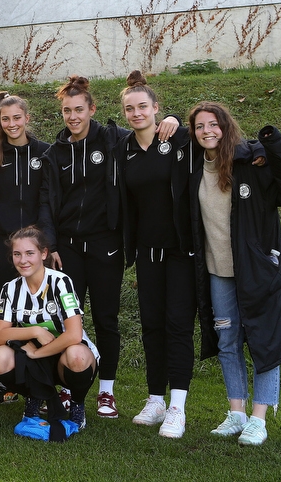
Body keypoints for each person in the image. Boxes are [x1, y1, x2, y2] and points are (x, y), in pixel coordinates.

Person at [38, 75, 178, 418]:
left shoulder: (114, 140)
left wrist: (172, 120)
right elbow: (46, 201)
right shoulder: (56, 152)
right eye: (67, 111)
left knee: (106, 319)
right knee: (65, 317)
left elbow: (146, 129)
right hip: (66, 249)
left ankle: (106, 393)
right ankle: (67, 388)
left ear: (91, 109)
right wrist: (50, 243)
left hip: (106, 246)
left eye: (79, 110)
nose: (73, 117)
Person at [188, 102, 281, 446]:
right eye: (200, 126)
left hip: (256, 270)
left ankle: (259, 419)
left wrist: (272, 145)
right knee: (227, 342)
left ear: (226, 128)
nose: (207, 131)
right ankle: (236, 413)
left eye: (213, 125)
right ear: (193, 132)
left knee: (264, 339)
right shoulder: (193, 167)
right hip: (218, 273)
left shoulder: (252, 163)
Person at [116, 71, 195, 439]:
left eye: (142, 106)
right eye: (129, 108)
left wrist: (177, 118)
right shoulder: (124, 148)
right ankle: (155, 399)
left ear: (156, 108)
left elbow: (206, 130)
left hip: (181, 250)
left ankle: (177, 406)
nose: (136, 113)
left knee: (178, 325)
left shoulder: (177, 139)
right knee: (152, 326)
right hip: (146, 252)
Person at [0, 92, 49, 406]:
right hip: (1, 244)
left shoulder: (44, 152)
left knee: (35, 310)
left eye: (17, 117)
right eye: (6, 119)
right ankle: (8, 380)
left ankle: (37, 376)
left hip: (33, 247)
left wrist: (44, 243)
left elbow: (47, 201)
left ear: (27, 118)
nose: (12, 124)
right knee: (7, 311)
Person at [0, 226, 99, 437]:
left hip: (65, 354)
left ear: (44, 254)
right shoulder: (10, 288)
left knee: (77, 355)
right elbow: (0, 335)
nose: (23, 260)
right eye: (17, 254)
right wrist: (35, 331)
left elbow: (74, 334)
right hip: (34, 360)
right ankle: (34, 397)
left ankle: (77, 403)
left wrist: (37, 353)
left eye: (30, 253)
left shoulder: (60, 282)